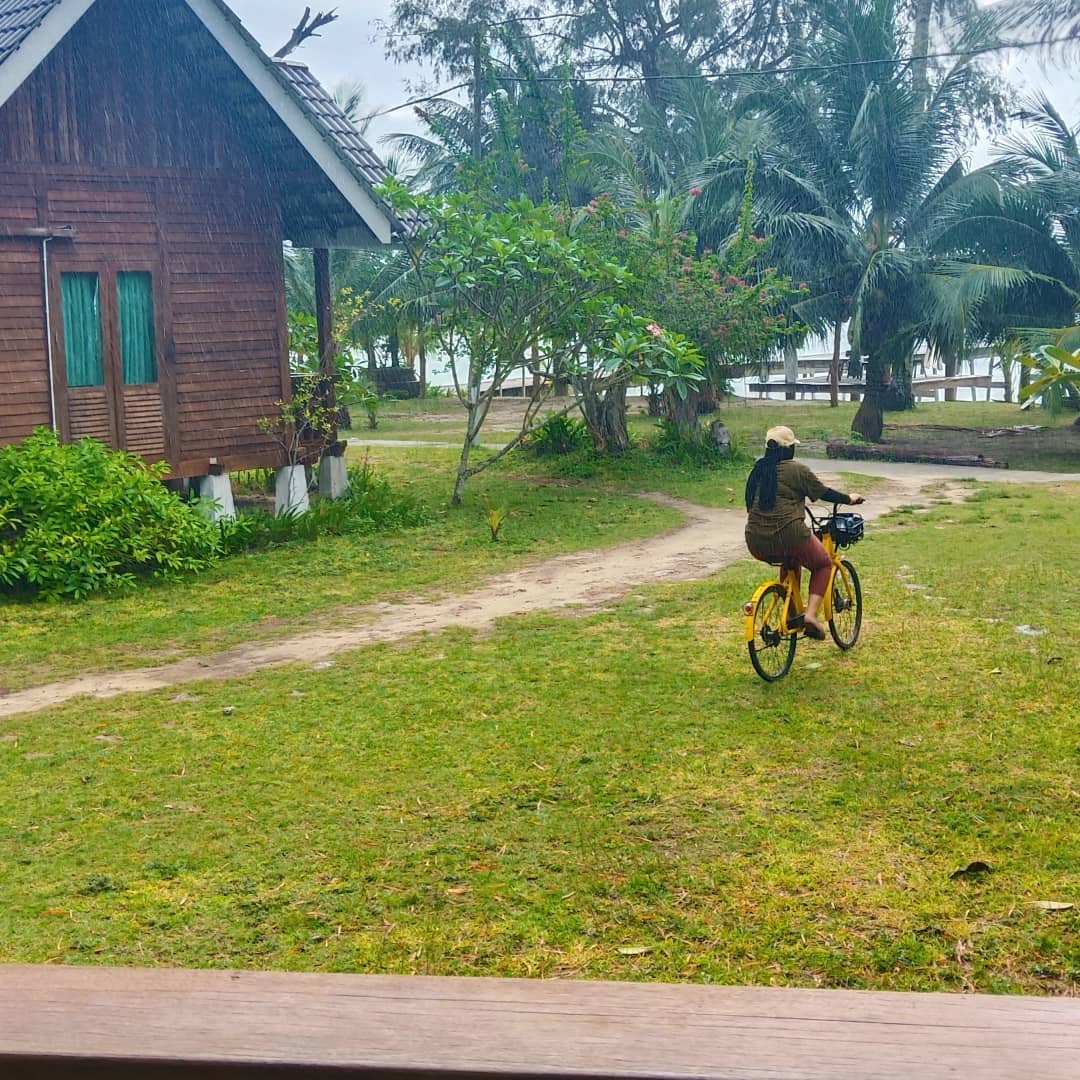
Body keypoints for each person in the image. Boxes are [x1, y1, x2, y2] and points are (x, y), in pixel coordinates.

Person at [744, 426, 864, 640]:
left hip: (755, 540)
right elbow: (823, 492)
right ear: (789, 450)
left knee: (790, 561)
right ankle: (809, 615)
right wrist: (849, 498)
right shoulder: (796, 470)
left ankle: (791, 613)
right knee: (823, 564)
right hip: (789, 534)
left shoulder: (757, 471)